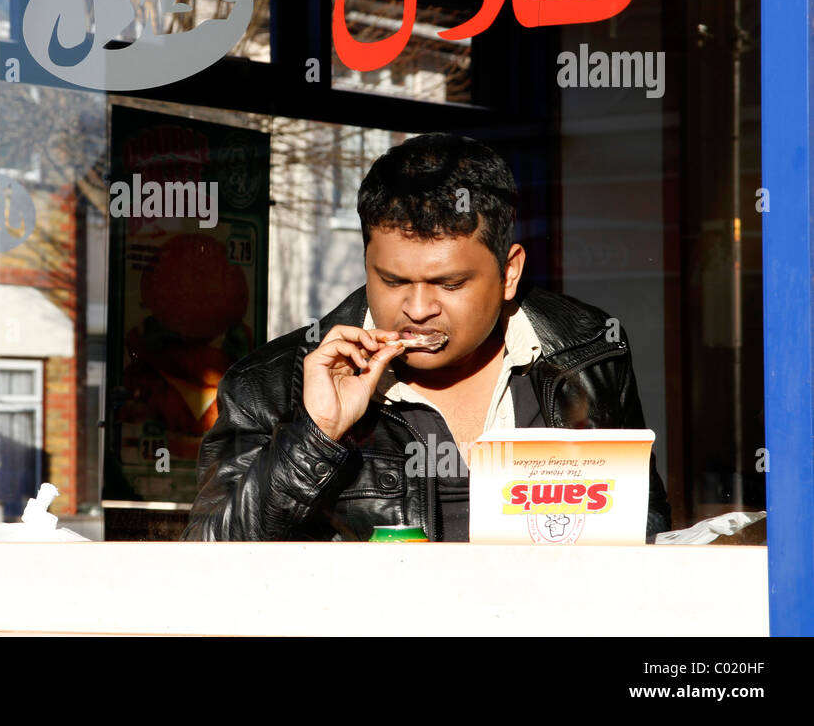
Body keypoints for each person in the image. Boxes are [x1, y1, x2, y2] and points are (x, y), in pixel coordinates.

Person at [182, 133, 671, 542]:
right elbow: (205, 565)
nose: (417, 310)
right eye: (393, 281)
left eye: (450, 284)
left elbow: (641, 524)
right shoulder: (271, 385)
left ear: (509, 273)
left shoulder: (589, 350)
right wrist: (315, 434)